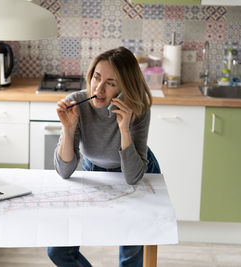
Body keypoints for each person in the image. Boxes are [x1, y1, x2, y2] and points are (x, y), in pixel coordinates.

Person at [47, 46, 161, 267]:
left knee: (130, 258)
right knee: (58, 251)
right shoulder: (77, 103)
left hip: (135, 168)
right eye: (96, 78)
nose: (98, 89)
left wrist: (124, 128)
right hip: (96, 169)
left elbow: (132, 177)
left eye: (110, 83)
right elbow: (64, 171)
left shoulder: (138, 108)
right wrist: (68, 129)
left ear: (124, 88)